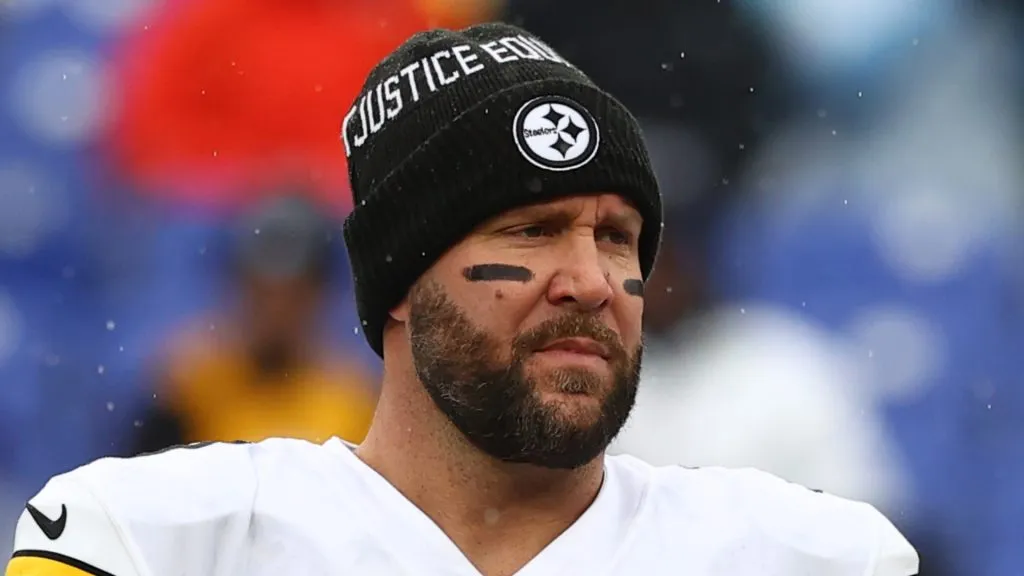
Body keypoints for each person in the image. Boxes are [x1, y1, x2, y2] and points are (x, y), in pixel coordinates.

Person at [5, 23, 919, 576]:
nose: (592, 282)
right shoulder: (153, 540)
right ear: (400, 279)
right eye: (529, 231)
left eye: (616, 236)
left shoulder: (809, 555)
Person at [130, 194, 378, 456]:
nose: (275, 310)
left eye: (291, 295)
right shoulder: (187, 390)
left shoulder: (353, 401)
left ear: (318, 296)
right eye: (262, 291)